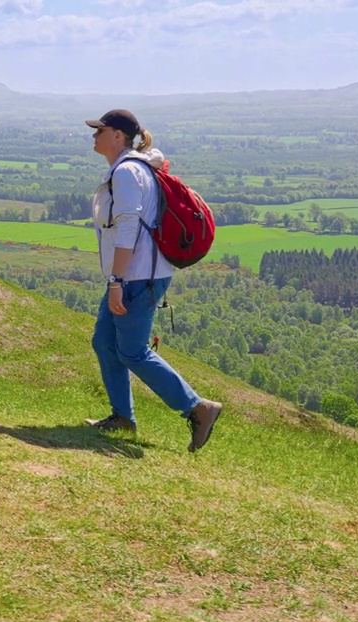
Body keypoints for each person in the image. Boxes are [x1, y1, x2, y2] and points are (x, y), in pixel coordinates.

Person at [84, 109, 222, 452]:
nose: (94, 135)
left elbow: (129, 225)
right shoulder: (132, 168)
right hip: (135, 274)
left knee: (132, 351)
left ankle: (198, 407)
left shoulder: (128, 172)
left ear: (118, 136)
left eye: (101, 130)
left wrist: (117, 279)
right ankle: (122, 418)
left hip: (136, 277)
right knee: (105, 343)